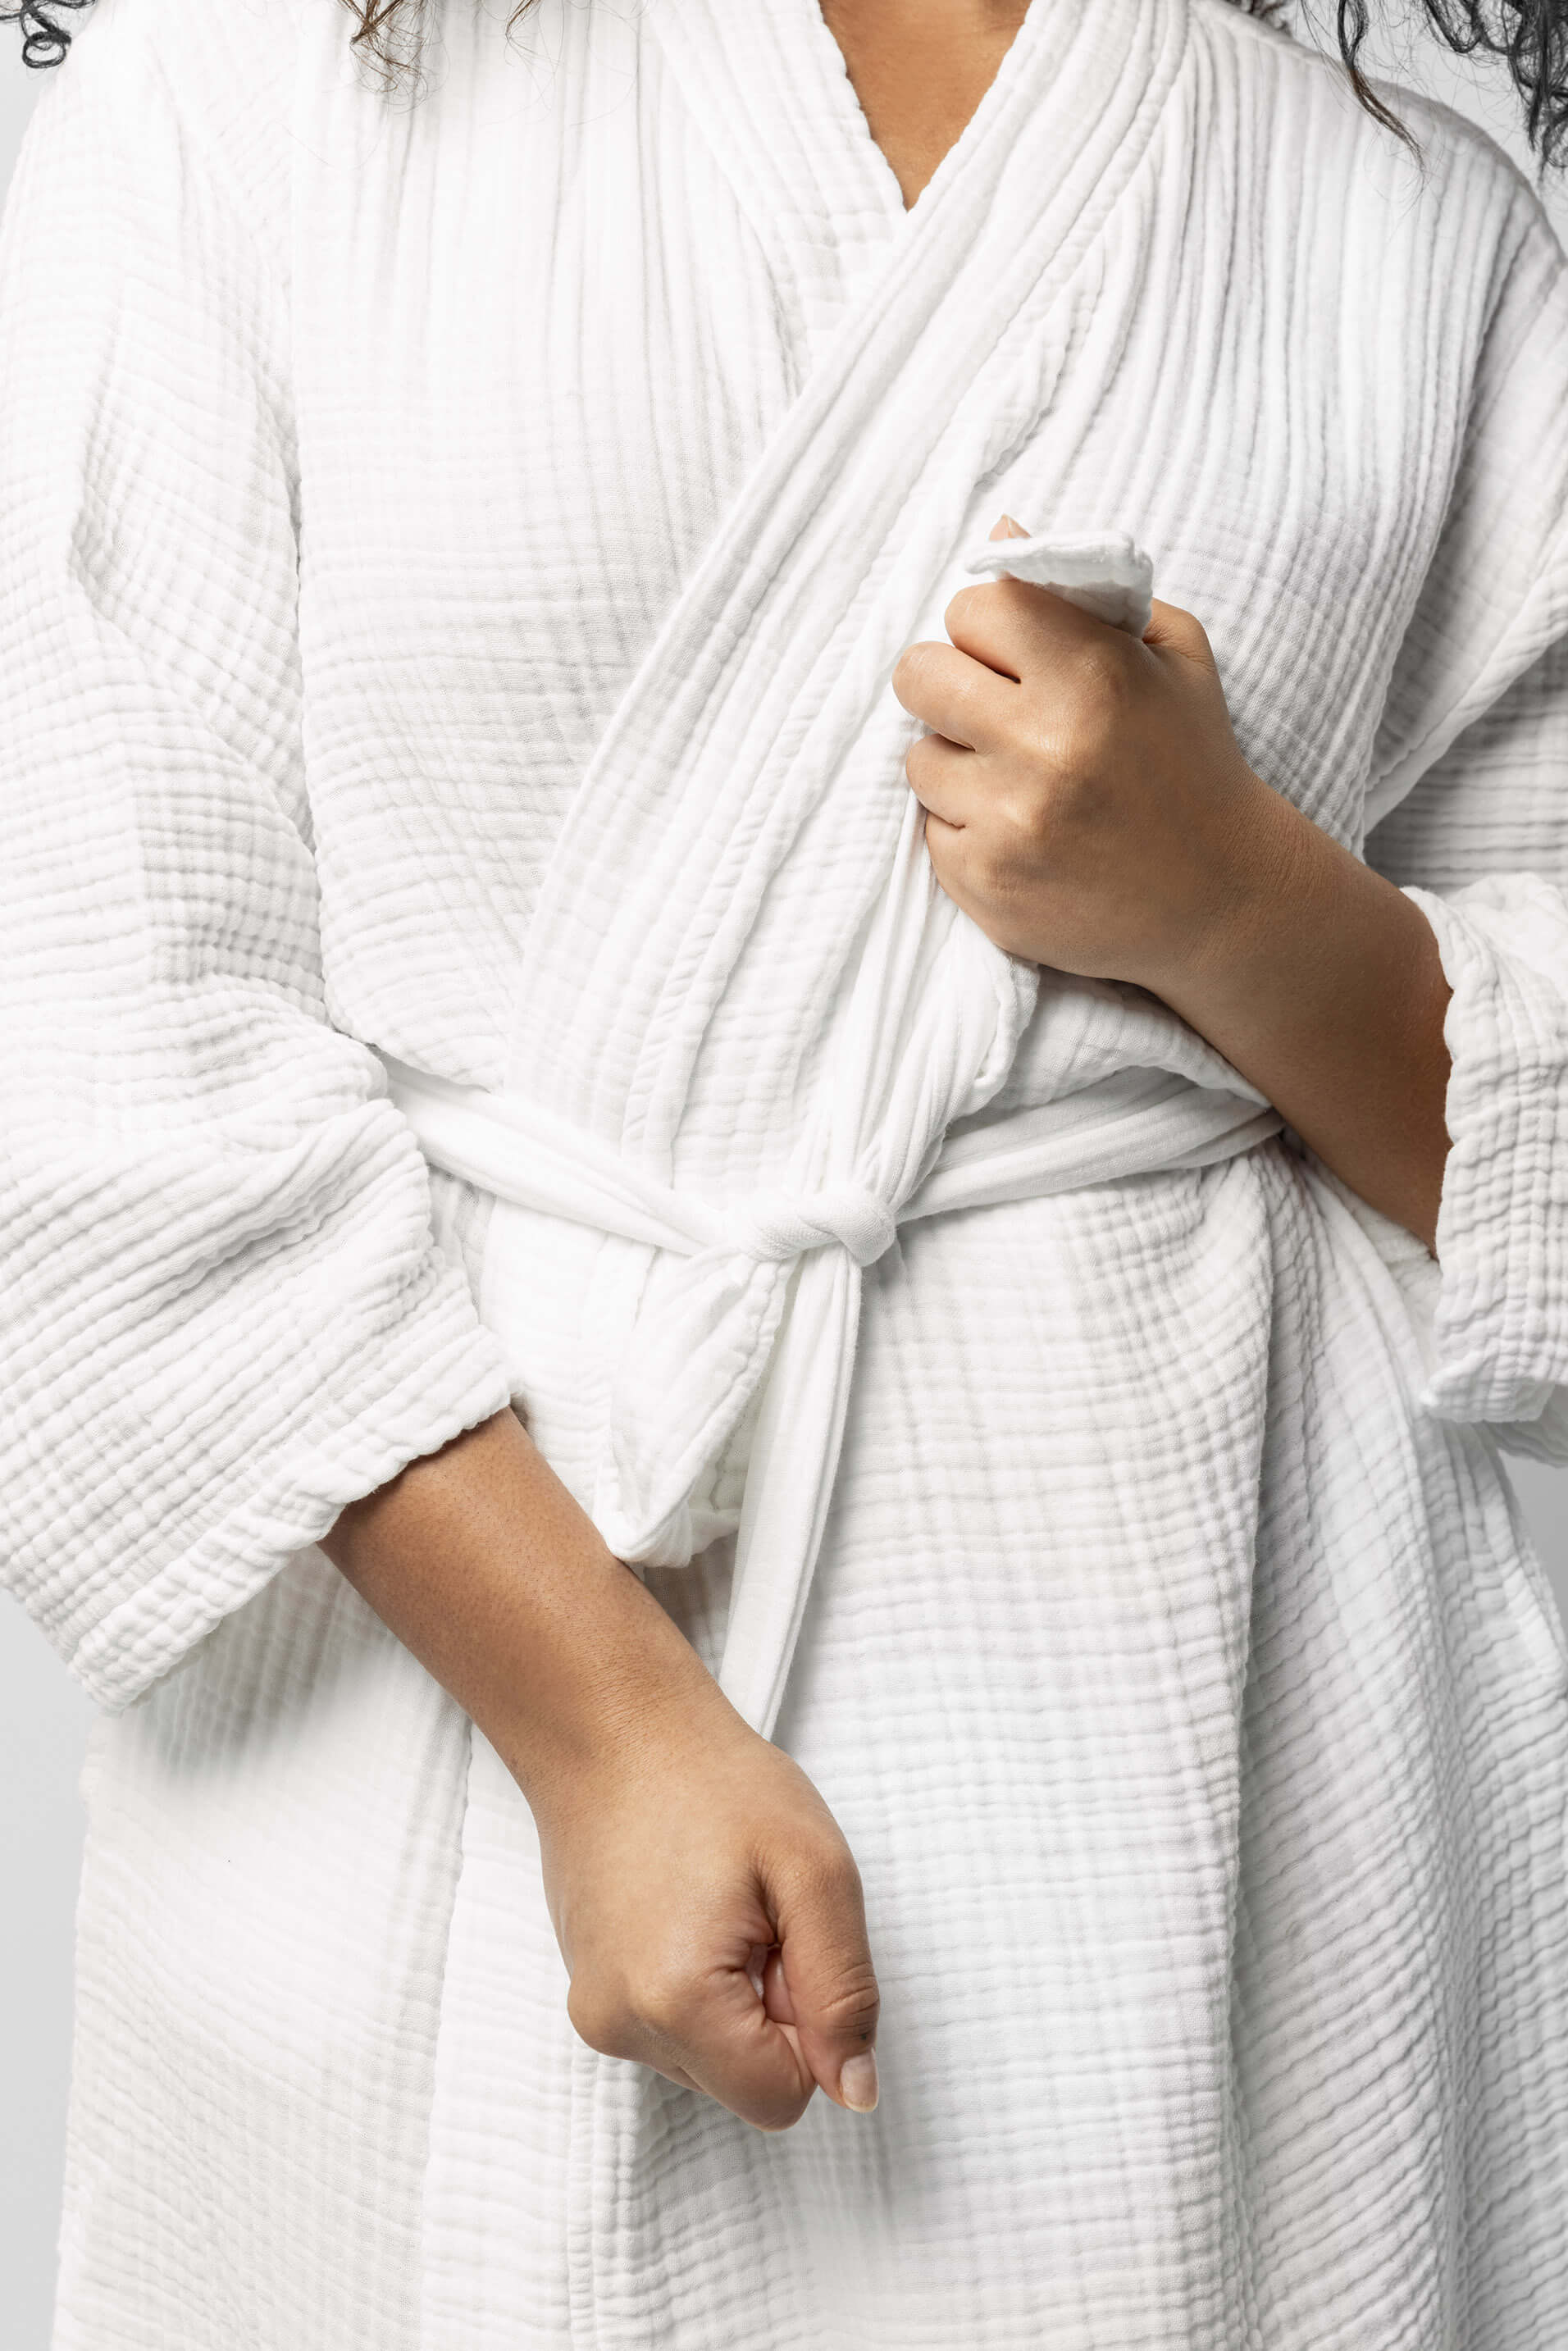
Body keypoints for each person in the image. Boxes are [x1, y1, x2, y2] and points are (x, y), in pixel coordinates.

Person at [3, 0, 1567, 2335]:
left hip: (1236, 1751)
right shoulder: (256, 78)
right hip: (452, 1712)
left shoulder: (1413, 218)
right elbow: (86, 995)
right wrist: (599, 1724)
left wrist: (1240, 900)